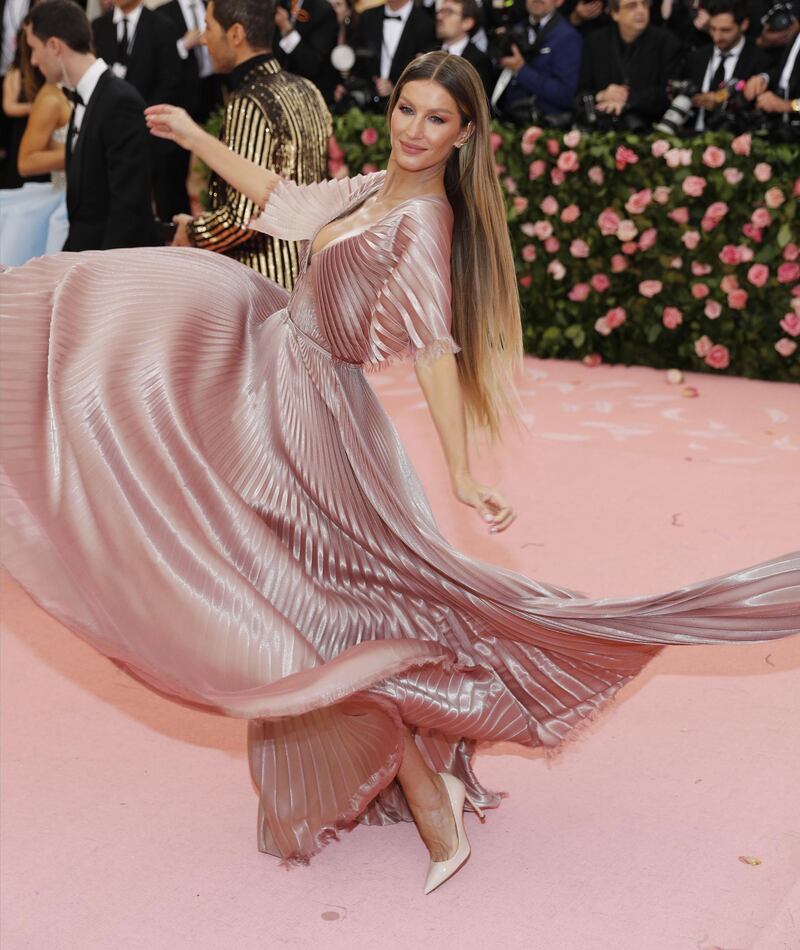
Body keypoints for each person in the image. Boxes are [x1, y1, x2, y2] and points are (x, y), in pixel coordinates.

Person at [1, 49, 798, 895]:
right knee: (268, 573)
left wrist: (459, 471)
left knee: (311, 606)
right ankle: (427, 787)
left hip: (310, 417)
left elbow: (432, 356)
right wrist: (198, 135)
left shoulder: (423, 225)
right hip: (264, 371)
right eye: (407, 110)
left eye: (437, 120)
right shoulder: (377, 189)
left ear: (463, 137)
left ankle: (428, 793)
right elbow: (284, 203)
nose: (415, 131)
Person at [172, 0, 330, 289]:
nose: (204, 38)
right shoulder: (308, 89)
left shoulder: (250, 102)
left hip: (261, 288)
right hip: (311, 277)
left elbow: (244, 217)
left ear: (235, 34)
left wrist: (192, 231)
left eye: (208, 27)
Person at [23, 0, 158, 250]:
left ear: (54, 46)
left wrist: (98, 277)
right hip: (83, 252)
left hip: (105, 265)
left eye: (34, 48)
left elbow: (127, 209)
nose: (32, 61)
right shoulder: (86, 94)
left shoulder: (120, 101)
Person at [92, 0, 186, 221]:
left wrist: (141, 119)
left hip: (154, 129)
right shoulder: (97, 27)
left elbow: (170, 82)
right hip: (110, 134)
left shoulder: (163, 26)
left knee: (166, 200)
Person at [0, 30, 70, 264]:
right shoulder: (47, 95)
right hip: (60, 191)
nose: (33, 60)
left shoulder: (66, 91)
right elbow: (26, 162)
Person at [579, 0, 684, 127]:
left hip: (650, 129)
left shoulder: (667, 43)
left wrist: (627, 100)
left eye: (645, 4)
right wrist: (601, 95)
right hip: (601, 128)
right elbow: (580, 94)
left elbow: (668, 94)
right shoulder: (595, 42)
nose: (641, 10)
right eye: (631, 6)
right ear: (615, 13)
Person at [685, 0, 769, 130]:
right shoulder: (696, 58)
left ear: (744, 25)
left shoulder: (760, 61)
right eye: (712, 29)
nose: (717, 37)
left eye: (725, 30)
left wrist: (720, 101)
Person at [491, 0, 582, 117]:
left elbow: (564, 95)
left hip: (546, 123)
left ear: (559, 1)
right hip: (508, 118)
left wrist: (521, 69)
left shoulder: (567, 37)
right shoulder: (516, 29)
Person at [350, 0, 436, 108]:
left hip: (405, 105)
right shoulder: (367, 16)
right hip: (366, 106)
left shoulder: (427, 23)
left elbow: (426, 74)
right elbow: (357, 58)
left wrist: (396, 88)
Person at [273, 0, 339, 103]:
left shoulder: (322, 10)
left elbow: (312, 63)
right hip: (277, 92)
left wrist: (287, 31)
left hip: (309, 98)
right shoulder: (277, 5)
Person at [434, 0, 495, 100]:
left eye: (448, 12)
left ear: (467, 22)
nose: (439, 17)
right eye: (440, 11)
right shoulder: (428, 51)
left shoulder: (480, 62)